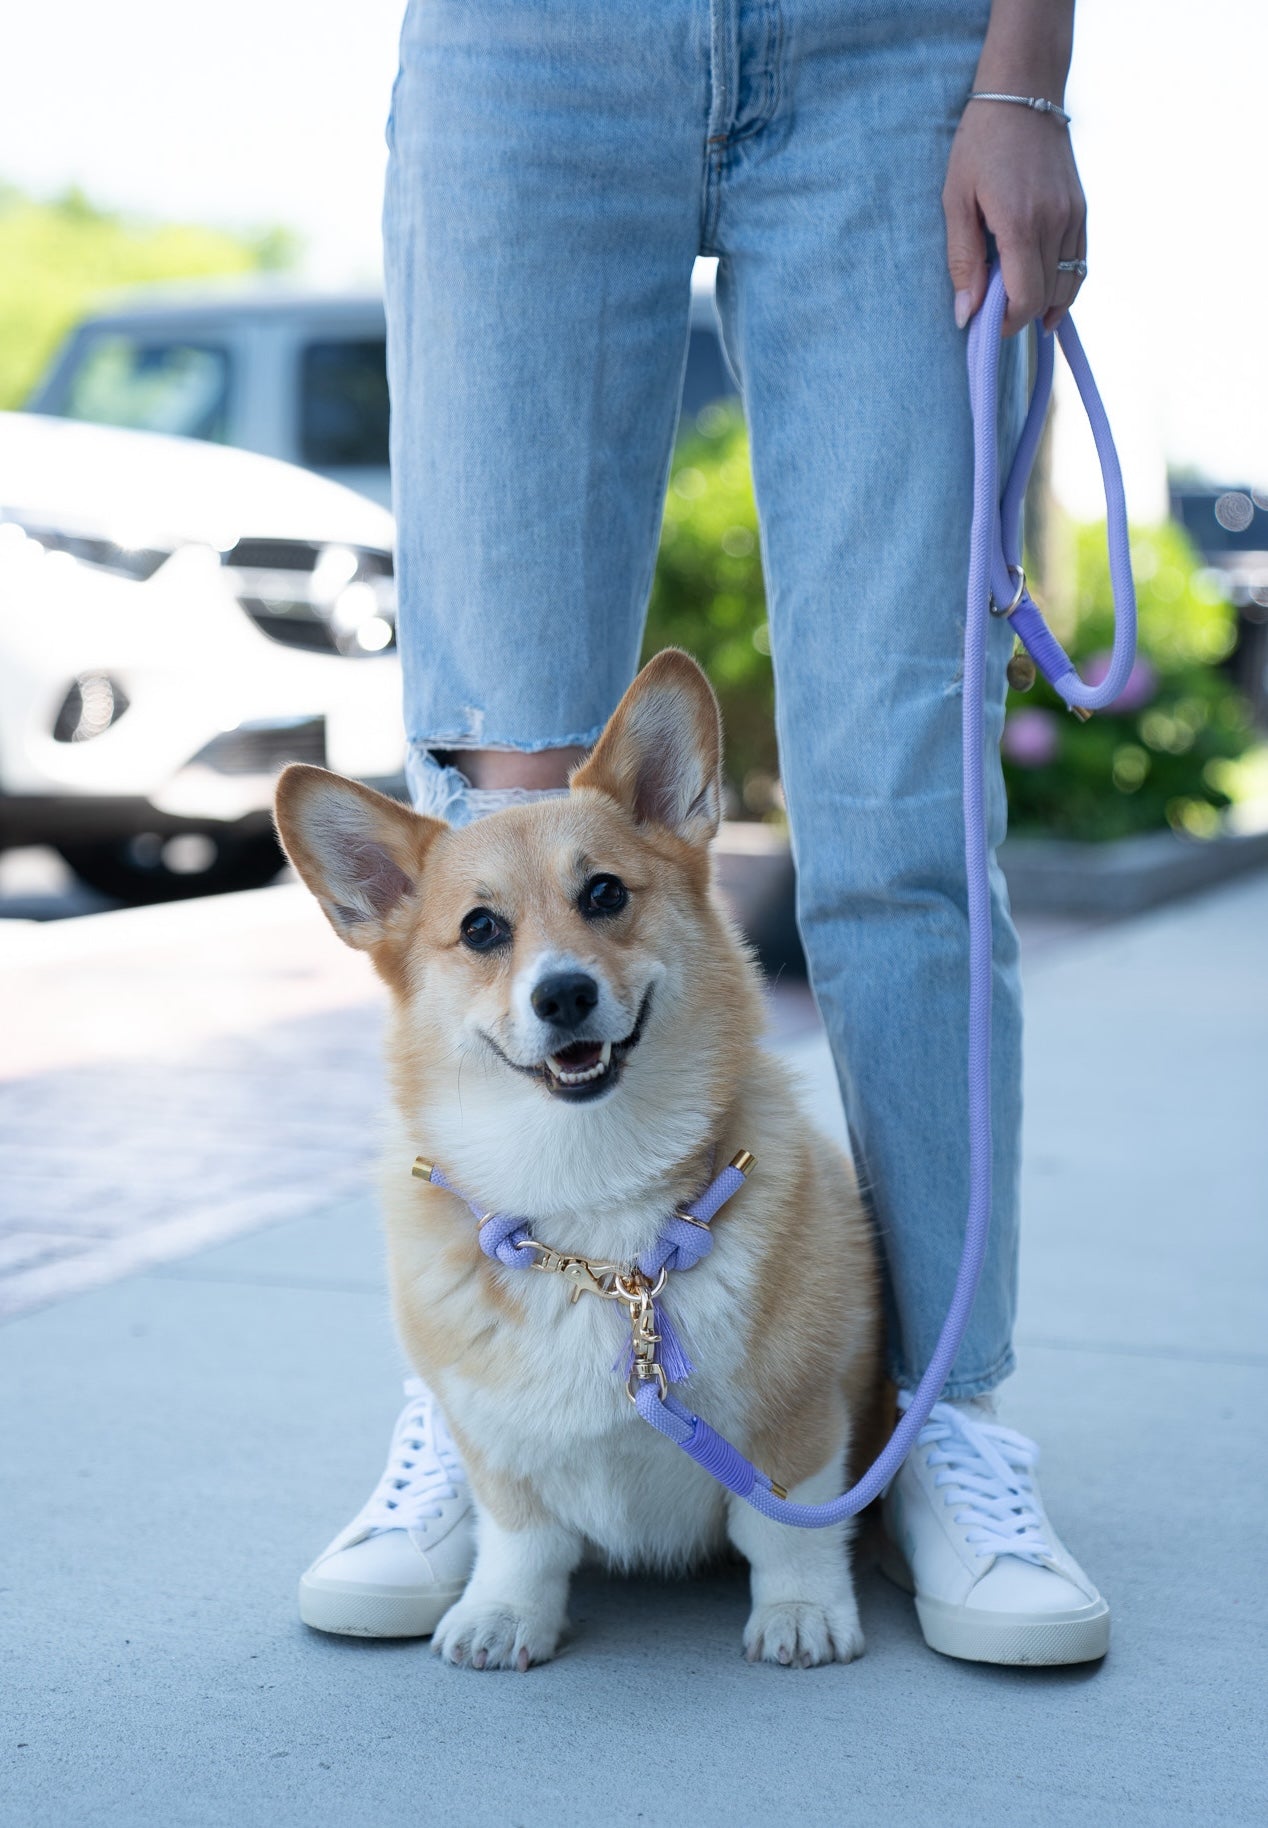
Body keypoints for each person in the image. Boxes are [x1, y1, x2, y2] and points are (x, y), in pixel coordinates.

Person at [299, 0, 1110, 1666]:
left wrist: (1023, 72)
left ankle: (943, 1417)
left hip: (901, 49)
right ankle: (489, 1419)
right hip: (533, 48)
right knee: (494, 794)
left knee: (904, 811)